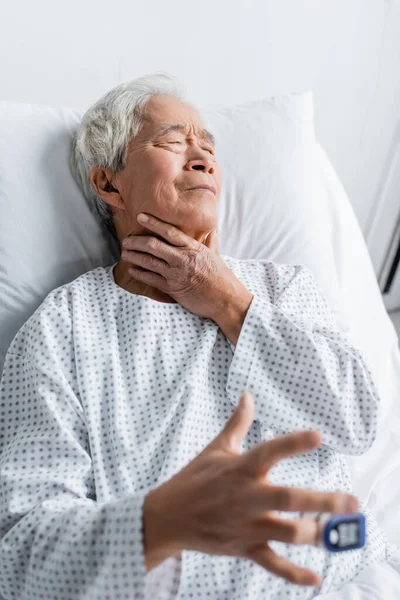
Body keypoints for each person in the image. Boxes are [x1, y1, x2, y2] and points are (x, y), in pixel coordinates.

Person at [0, 72, 396, 600]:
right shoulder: (64, 328)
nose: (204, 158)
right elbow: (24, 558)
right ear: (109, 184)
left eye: (208, 147)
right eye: (173, 140)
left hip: (339, 584)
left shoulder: (282, 288)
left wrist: (229, 302)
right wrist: (153, 524)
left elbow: (361, 419)